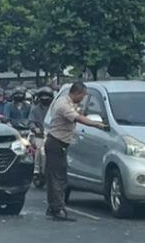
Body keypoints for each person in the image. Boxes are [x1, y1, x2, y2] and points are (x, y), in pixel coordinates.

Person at [45, 81, 105, 221]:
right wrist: (97, 124)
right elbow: (78, 118)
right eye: (82, 95)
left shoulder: (69, 102)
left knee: (58, 177)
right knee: (57, 178)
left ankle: (54, 207)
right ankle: (57, 209)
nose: (83, 98)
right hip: (56, 143)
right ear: (76, 93)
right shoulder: (64, 105)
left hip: (60, 143)